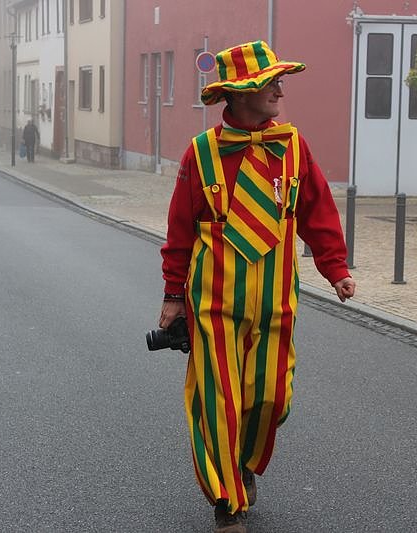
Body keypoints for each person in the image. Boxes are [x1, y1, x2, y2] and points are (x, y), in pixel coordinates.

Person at [158, 41, 356, 533]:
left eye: (278, 81)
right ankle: (227, 502)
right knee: (218, 397)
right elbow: (180, 230)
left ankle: (242, 463)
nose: (279, 89)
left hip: (276, 302)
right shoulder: (200, 153)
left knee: (271, 398)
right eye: (270, 82)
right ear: (241, 93)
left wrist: (336, 268)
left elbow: (317, 212)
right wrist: (172, 296)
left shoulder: (292, 145)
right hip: (213, 303)